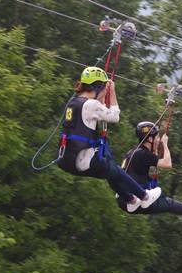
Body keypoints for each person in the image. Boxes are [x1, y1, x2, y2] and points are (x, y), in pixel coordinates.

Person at [57, 67, 160, 212]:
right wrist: (112, 93)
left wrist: (101, 98)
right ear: (98, 86)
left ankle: (131, 199)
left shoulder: (73, 102)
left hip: (66, 159)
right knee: (112, 169)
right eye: (104, 87)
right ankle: (144, 197)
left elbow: (86, 120)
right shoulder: (91, 105)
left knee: (110, 171)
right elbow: (115, 116)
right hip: (82, 161)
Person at [117, 121, 182, 218]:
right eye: (156, 137)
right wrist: (165, 144)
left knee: (165, 201)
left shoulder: (133, 152)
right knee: (168, 203)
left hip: (123, 198)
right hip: (132, 200)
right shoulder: (143, 154)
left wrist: (155, 149)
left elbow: (145, 166)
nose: (158, 140)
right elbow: (167, 163)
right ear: (150, 140)